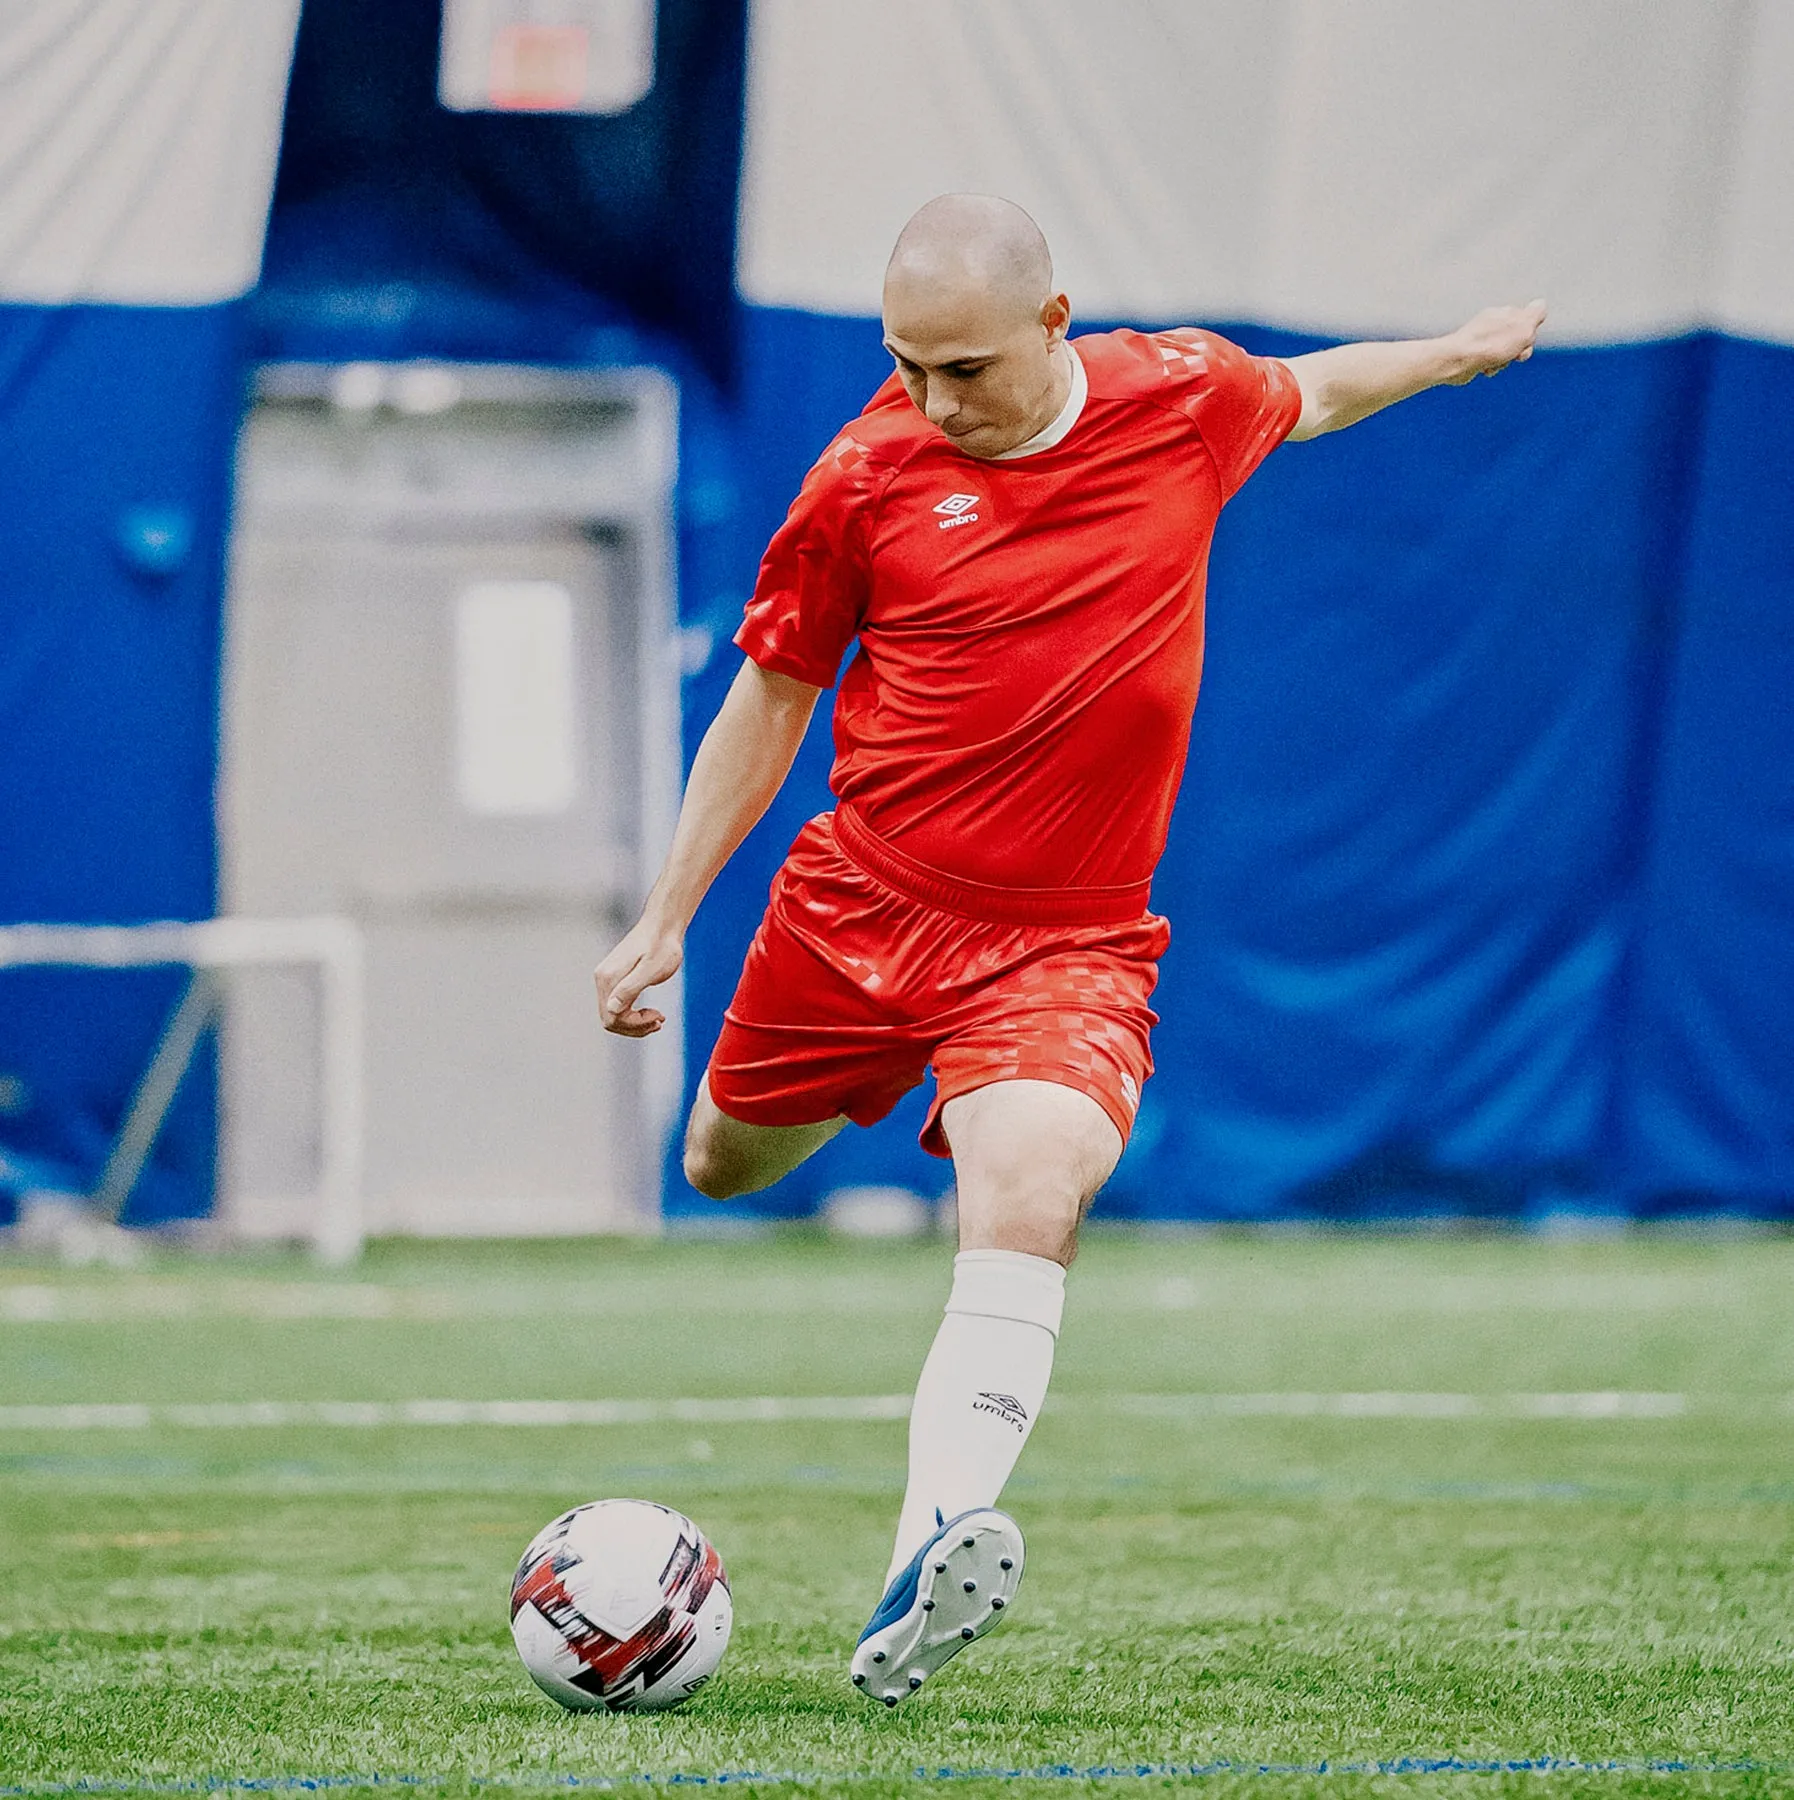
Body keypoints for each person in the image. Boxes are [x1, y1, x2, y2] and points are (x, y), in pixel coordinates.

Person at [593, 193, 1546, 1704]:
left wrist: (1452, 351)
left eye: (960, 369)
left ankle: (933, 1540)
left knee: (1031, 1188)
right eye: (904, 365)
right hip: (856, 908)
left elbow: (1315, 387)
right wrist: (665, 916)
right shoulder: (861, 476)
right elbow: (769, 695)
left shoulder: (1178, 399)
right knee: (720, 1162)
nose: (929, 401)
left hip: (1066, 943)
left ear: (1051, 324)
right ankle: (809, 1182)